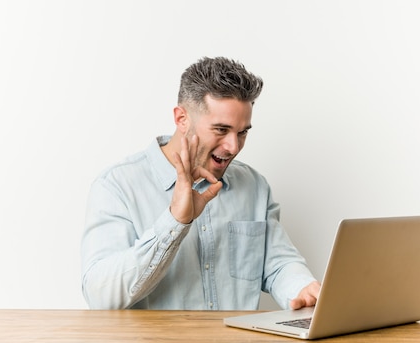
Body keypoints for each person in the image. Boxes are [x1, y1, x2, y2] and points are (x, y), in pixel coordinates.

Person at [81, 57, 320, 310]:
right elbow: (100, 296)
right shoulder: (117, 187)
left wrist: (302, 288)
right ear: (182, 118)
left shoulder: (254, 186)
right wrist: (174, 222)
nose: (233, 146)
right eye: (220, 130)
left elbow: (278, 263)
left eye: (242, 132)